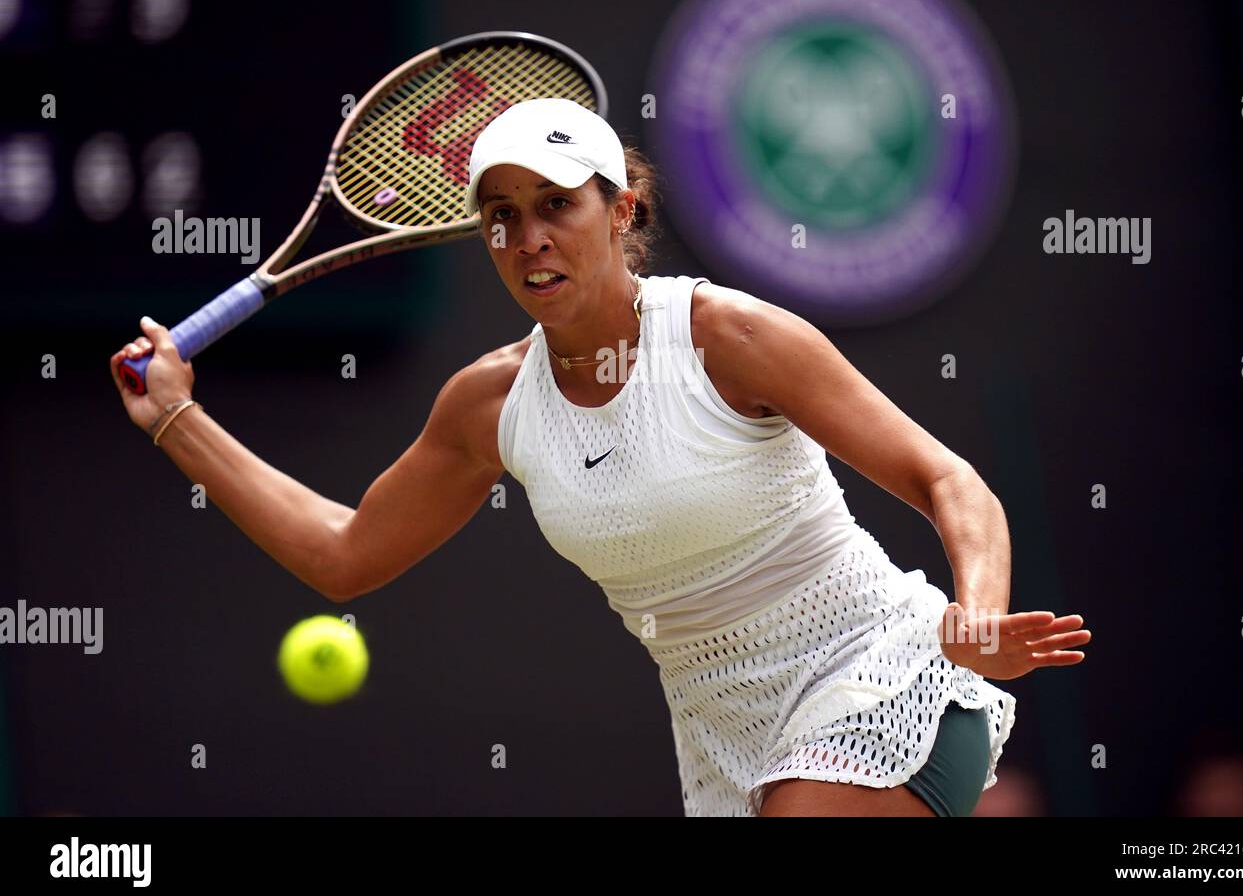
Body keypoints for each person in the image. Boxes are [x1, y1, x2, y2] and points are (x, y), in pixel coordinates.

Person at [110, 97, 1090, 817]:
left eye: (556, 204)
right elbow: (344, 552)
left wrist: (979, 611)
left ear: (621, 210)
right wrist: (174, 421)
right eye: (500, 213)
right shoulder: (489, 402)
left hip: (883, 676)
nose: (528, 236)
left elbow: (946, 476)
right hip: (727, 743)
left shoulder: (728, 336)